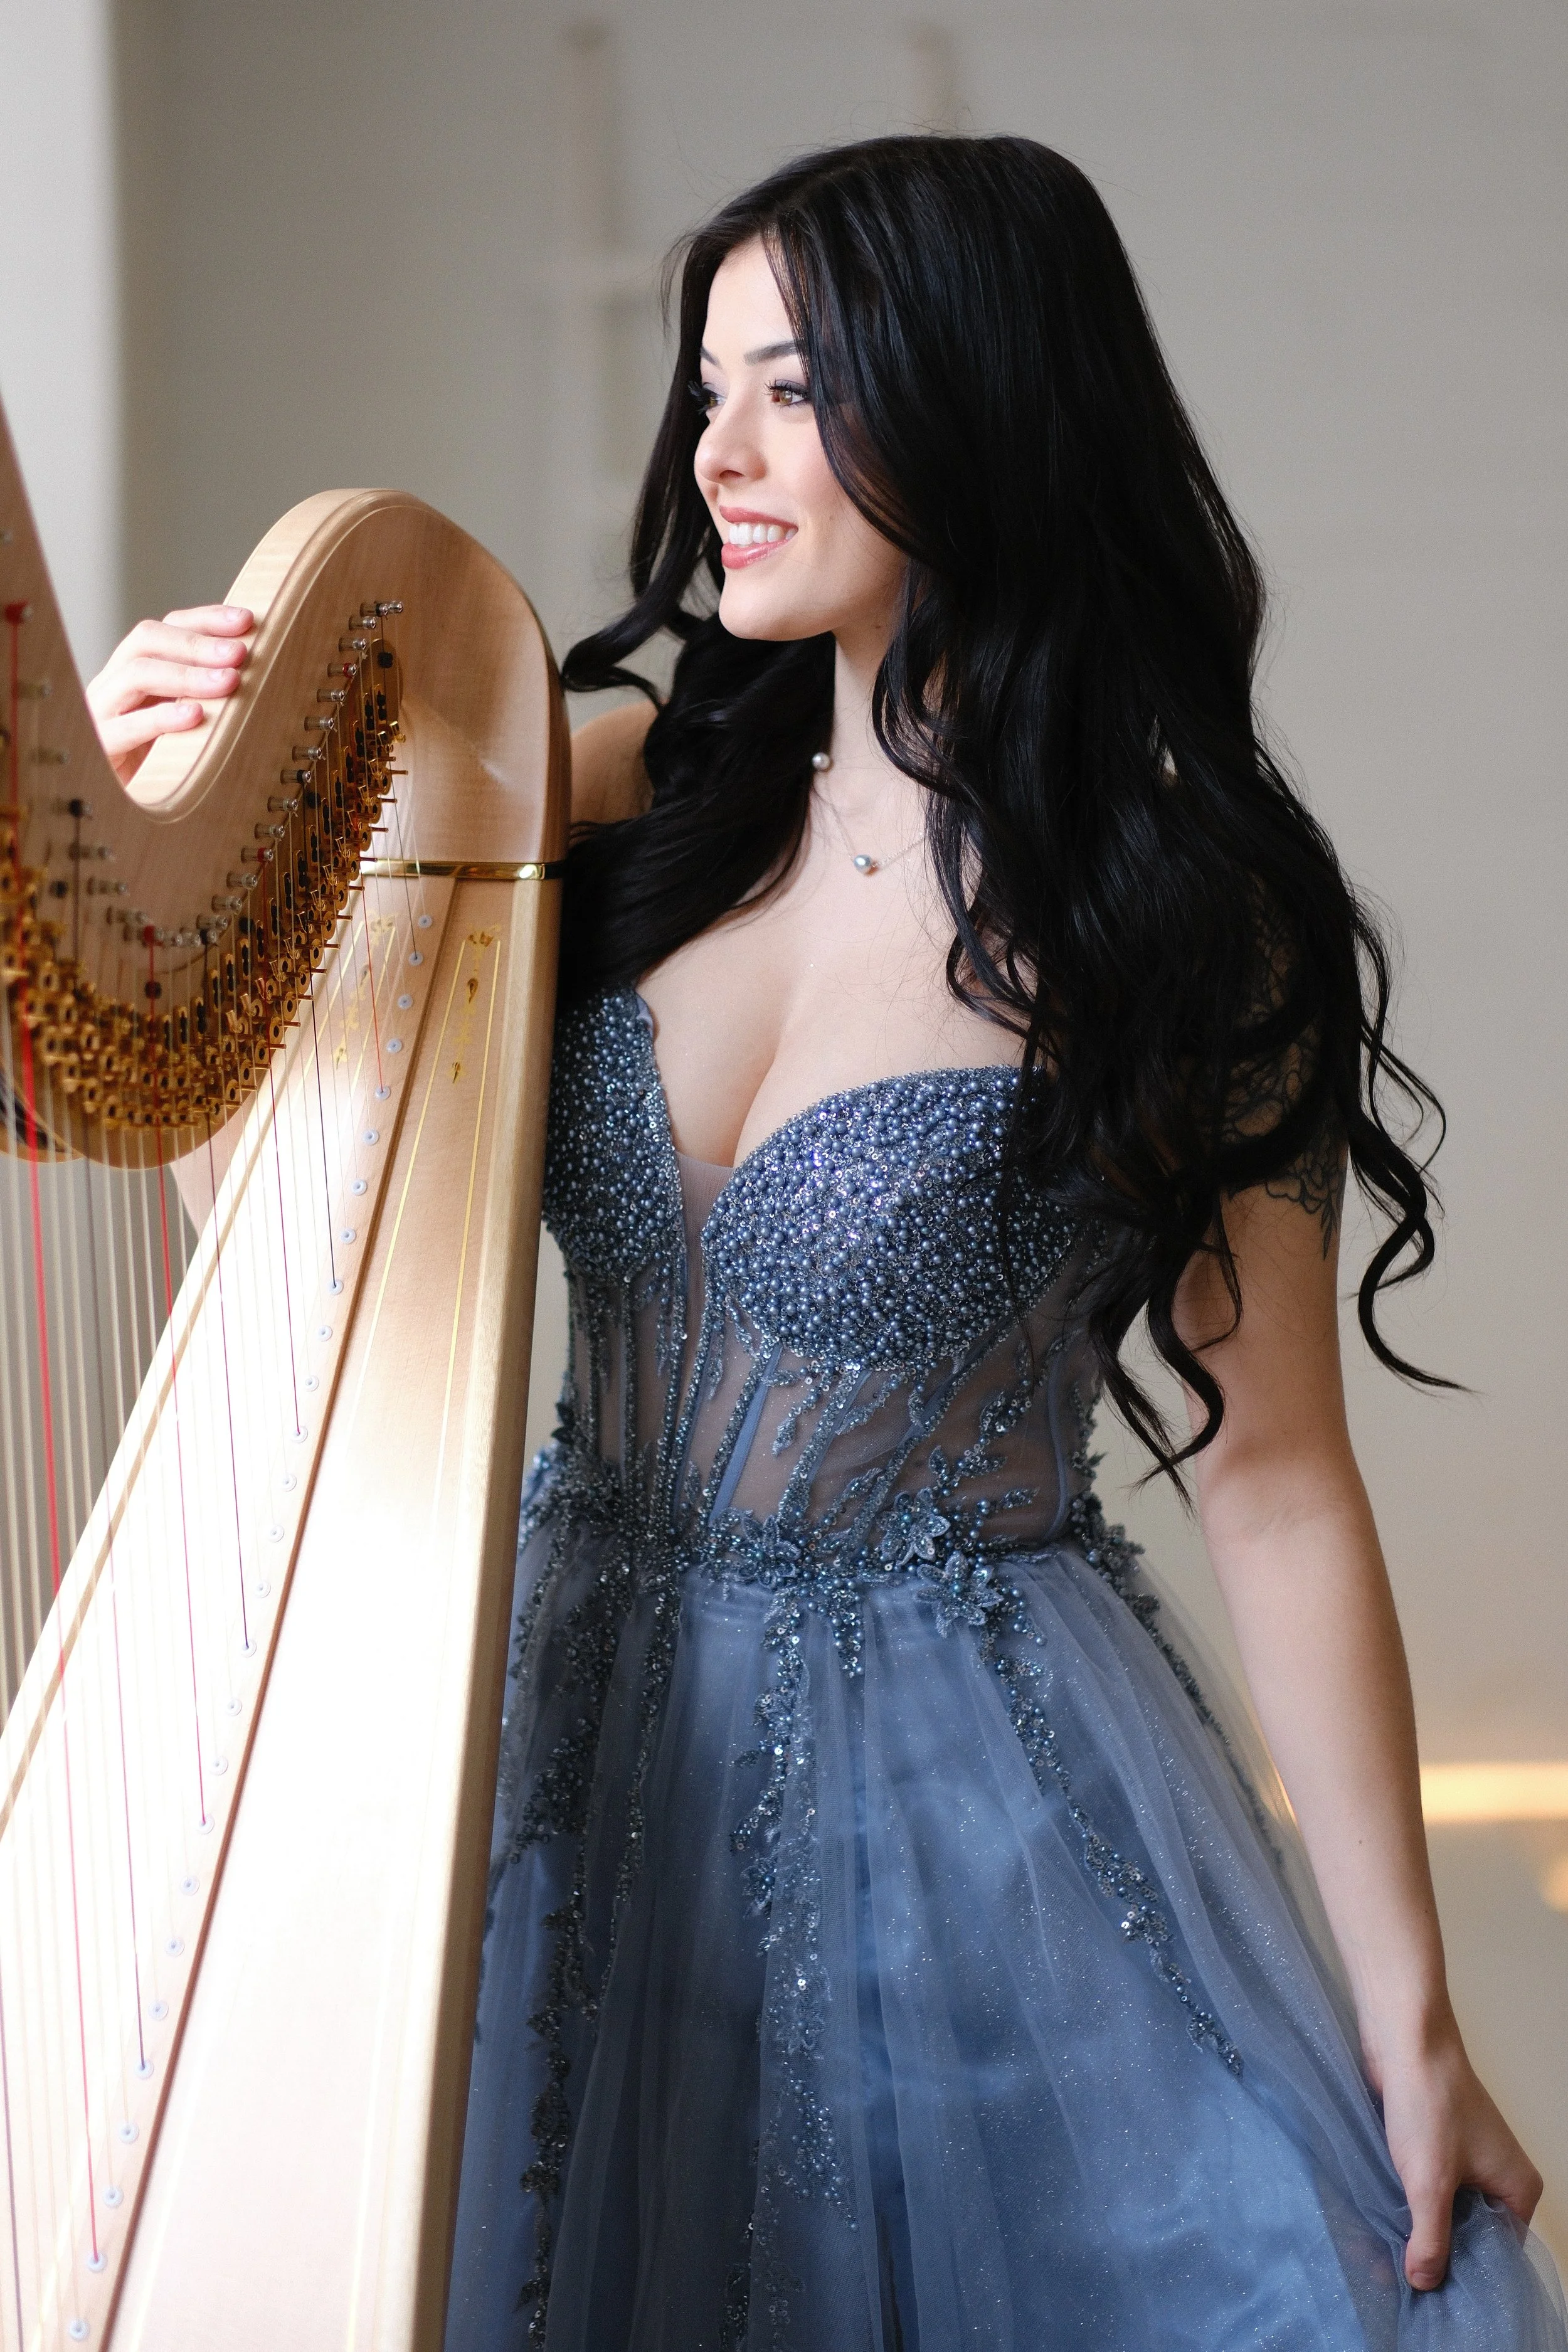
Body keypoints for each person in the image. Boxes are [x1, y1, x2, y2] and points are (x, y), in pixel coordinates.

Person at [92, 134, 1565, 2352]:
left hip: (960, 1799)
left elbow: (1270, 1485)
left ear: (972, 399)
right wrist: (176, 796)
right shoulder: (606, 793)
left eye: (793, 386)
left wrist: (1414, 2025)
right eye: (707, 390)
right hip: (553, 1732)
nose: (720, 452)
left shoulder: (1171, 917)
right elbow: (307, 1263)